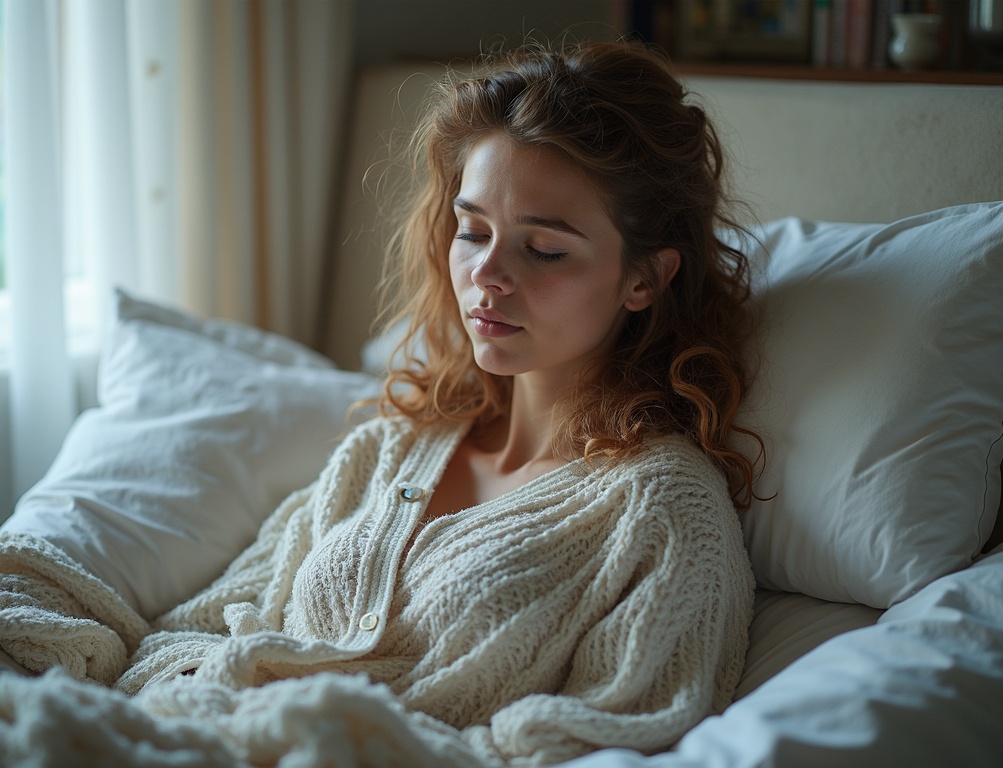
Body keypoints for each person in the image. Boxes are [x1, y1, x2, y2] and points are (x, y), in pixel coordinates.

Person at [0, 40, 764, 767]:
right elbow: (192, 634)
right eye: (472, 232)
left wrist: (323, 730)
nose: (487, 276)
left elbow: (608, 739)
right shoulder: (393, 447)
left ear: (644, 279)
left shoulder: (664, 512)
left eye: (545, 248)